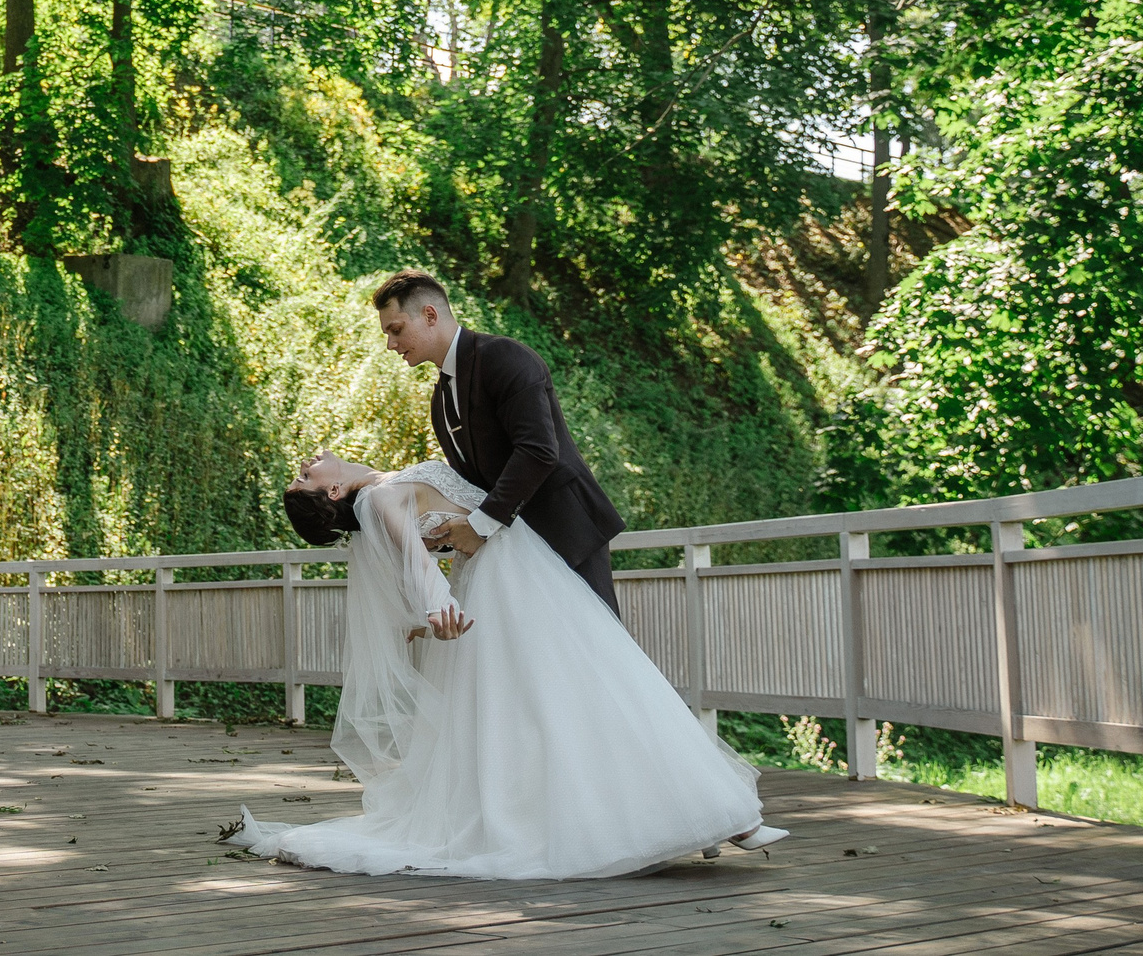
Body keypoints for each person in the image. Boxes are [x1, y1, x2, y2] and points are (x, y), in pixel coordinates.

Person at [229, 451, 789, 877]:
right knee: (585, 693)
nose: (306, 464)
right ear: (331, 491)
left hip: (523, 572)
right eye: (304, 477)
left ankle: (691, 816)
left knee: (588, 693)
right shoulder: (379, 501)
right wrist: (439, 603)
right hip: (509, 586)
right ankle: (709, 817)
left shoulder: (385, 487)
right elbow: (411, 557)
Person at [370, 270, 626, 612]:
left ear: (429, 315)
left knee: (596, 651)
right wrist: (444, 536)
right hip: (515, 550)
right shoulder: (441, 400)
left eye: (396, 329)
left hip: (566, 532)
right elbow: (472, 486)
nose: (391, 344)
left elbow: (538, 451)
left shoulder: (503, 357)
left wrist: (479, 525)